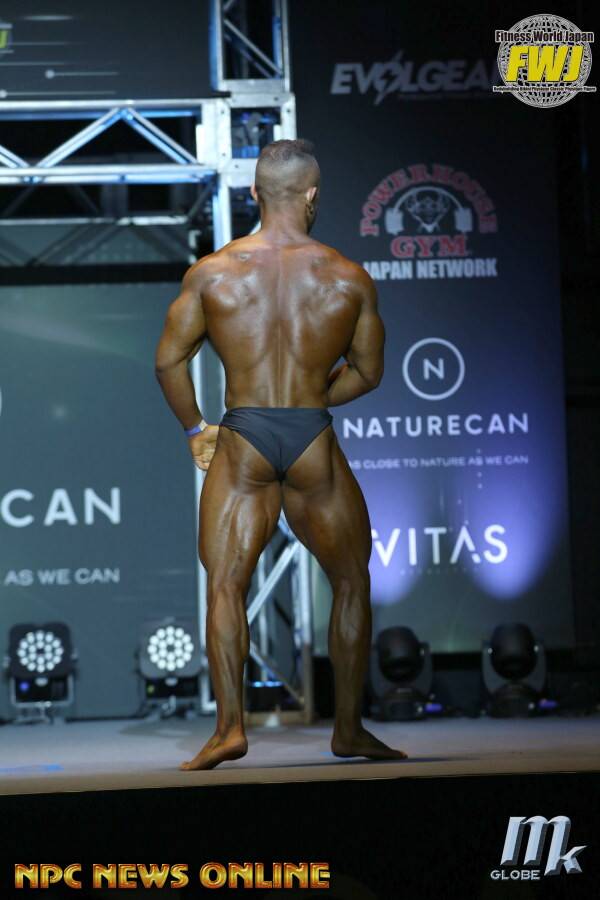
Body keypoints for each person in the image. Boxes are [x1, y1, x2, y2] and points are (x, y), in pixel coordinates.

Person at [155, 139, 407, 770]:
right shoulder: (348, 277)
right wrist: (312, 395)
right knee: (350, 582)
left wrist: (196, 429)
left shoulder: (213, 272)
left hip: (243, 435)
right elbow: (369, 373)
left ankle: (229, 730)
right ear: (313, 195)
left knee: (225, 586)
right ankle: (348, 730)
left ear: (253, 193)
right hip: (312, 436)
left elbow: (168, 362)